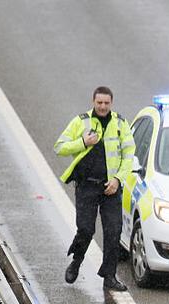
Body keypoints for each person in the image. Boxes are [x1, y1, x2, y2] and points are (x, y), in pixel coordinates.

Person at [54, 86, 135, 291]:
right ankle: (76, 261)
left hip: (111, 187)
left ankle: (109, 276)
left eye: (106, 103)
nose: (103, 106)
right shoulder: (81, 122)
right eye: (99, 102)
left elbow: (128, 155)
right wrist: (83, 142)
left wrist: (117, 179)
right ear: (93, 102)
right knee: (86, 229)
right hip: (86, 186)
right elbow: (60, 147)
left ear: (111, 103)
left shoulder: (120, 123)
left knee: (113, 232)